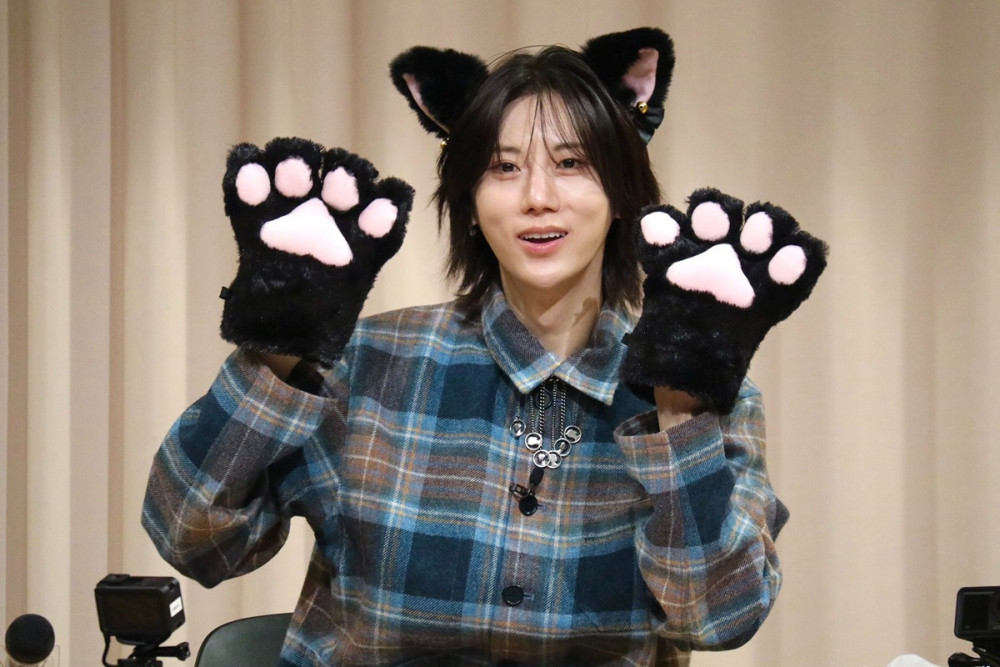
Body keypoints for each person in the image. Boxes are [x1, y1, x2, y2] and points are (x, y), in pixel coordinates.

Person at [143, 27, 826, 666]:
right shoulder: (368, 362)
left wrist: (680, 409)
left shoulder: (709, 393)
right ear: (469, 200)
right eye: (504, 167)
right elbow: (190, 535)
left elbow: (718, 618)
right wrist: (275, 346)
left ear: (621, 193)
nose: (537, 196)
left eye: (571, 163)